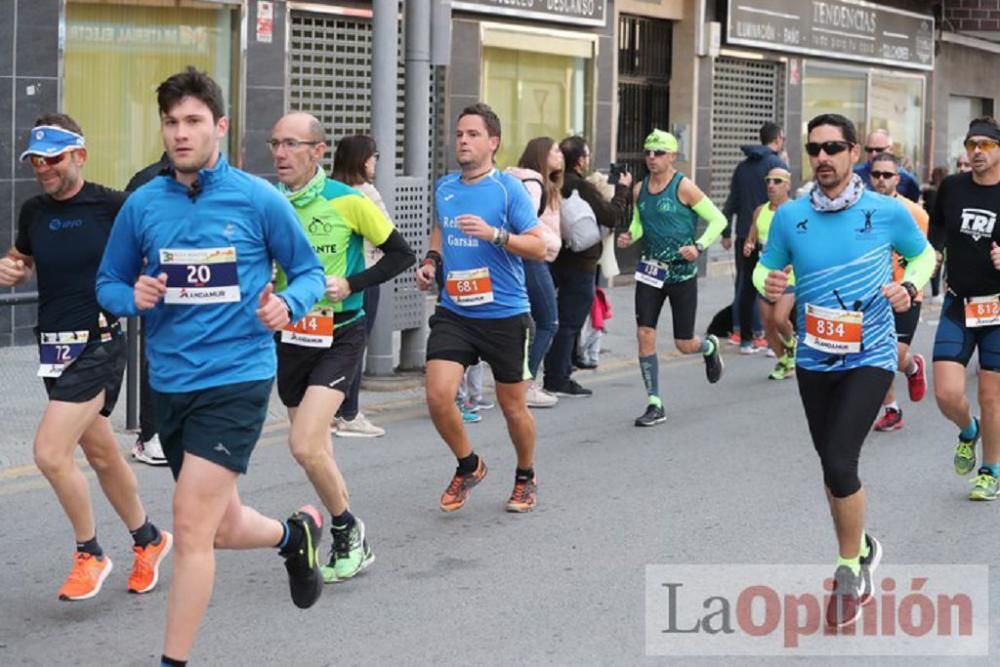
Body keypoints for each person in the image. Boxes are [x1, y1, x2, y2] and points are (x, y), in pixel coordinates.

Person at [96, 68, 327, 665]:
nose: (181, 133)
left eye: (194, 121)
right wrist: (132, 299)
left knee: (191, 529)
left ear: (220, 127)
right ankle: (292, 535)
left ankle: (174, 661)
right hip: (169, 382)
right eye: (171, 122)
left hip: (237, 377)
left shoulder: (257, 199)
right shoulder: (143, 203)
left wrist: (287, 303)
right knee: (221, 526)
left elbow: (308, 274)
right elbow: (109, 282)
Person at [754, 113, 934, 628]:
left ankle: (848, 571)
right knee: (832, 468)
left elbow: (925, 257)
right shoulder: (790, 217)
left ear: (855, 153)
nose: (823, 158)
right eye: (814, 149)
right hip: (813, 356)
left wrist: (912, 287)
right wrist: (765, 284)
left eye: (834, 147)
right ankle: (860, 548)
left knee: (839, 458)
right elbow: (769, 266)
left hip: (871, 353)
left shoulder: (886, 210)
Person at [0, 114, 171, 602]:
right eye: (35, 160)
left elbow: (158, 252)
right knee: (100, 452)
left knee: (50, 453)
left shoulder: (113, 206)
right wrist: (9, 269)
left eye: (52, 158)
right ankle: (149, 540)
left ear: (80, 155)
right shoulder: (34, 212)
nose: (42, 169)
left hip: (98, 342)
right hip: (52, 348)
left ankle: (90, 552)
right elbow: (21, 258)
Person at [269, 113, 415, 583]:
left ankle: (349, 529)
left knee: (303, 444)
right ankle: (349, 536)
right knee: (316, 451)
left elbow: (401, 254)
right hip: (291, 336)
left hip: (342, 332)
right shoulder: (270, 203)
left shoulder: (347, 201)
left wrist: (351, 281)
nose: (280, 153)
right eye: (275, 143)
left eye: (291, 144)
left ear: (317, 151)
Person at [415, 102, 547, 513]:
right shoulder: (446, 187)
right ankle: (468, 465)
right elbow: (442, 226)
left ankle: (525, 474)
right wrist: (431, 261)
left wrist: (495, 235)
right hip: (456, 310)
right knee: (438, 396)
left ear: (493, 142)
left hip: (505, 314)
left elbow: (540, 246)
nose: (463, 141)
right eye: (459, 134)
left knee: (512, 407)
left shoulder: (509, 190)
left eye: (472, 134)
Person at [617, 129, 727, 427]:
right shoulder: (640, 189)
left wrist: (700, 246)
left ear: (672, 157)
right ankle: (654, 402)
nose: (651, 158)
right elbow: (640, 223)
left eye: (659, 153)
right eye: (648, 152)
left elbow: (719, 220)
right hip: (651, 272)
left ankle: (709, 347)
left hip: (681, 274)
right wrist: (631, 235)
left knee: (683, 343)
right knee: (644, 334)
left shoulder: (684, 187)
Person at [929, 116, 1000, 501]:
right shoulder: (952, 188)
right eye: (971, 144)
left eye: (985, 145)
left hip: (997, 309)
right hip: (959, 301)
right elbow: (937, 229)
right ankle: (968, 429)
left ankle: (990, 470)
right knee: (946, 394)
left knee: (992, 396)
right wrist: (934, 255)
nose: (976, 152)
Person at [543, 135, 631, 398]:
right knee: (570, 321)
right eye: (587, 155)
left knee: (558, 319)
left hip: (554, 258)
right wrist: (623, 190)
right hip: (580, 264)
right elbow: (612, 216)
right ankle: (557, 378)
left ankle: (564, 367)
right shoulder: (580, 186)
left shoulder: (553, 184)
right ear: (580, 160)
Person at [330, 134, 393, 438]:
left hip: (331, 279)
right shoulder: (366, 193)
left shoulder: (328, 191)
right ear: (363, 160)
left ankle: (328, 411)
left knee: (330, 348)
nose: (375, 162)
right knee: (354, 347)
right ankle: (349, 413)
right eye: (373, 156)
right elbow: (386, 234)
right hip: (362, 277)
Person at [868, 153, 930, 432]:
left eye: (887, 175)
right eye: (876, 174)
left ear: (898, 179)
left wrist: (910, 285)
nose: (881, 180)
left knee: (893, 355)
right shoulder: (861, 210)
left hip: (906, 293)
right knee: (875, 355)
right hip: (872, 294)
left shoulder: (915, 214)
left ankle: (913, 366)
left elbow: (922, 255)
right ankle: (892, 409)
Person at [506, 137, 563, 408]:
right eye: (554, 150)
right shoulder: (533, 184)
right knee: (548, 321)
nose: (560, 155)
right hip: (531, 257)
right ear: (541, 154)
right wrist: (552, 244)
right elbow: (526, 224)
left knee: (528, 323)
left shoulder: (524, 181)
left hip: (519, 256)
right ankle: (525, 386)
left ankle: (521, 382)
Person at [722, 121, 786, 354]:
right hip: (771, 237)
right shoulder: (777, 166)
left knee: (745, 285)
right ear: (778, 139)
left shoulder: (742, 167)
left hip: (744, 236)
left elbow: (732, 200)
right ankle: (769, 338)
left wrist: (726, 232)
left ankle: (745, 336)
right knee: (774, 285)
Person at [125, 152, 172, 466]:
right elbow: (122, 235)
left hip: (208, 294)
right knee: (157, 358)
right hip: (158, 291)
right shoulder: (147, 181)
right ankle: (150, 435)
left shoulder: (227, 186)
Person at [745, 167, 796, 380]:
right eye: (769, 181)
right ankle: (784, 361)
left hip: (788, 276)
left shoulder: (796, 211)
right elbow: (752, 238)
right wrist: (748, 245)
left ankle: (793, 345)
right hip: (764, 277)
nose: (771, 185)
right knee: (767, 325)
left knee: (780, 318)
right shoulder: (760, 211)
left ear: (788, 185)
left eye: (777, 181)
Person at [853, 129, 921, 202]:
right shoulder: (855, 174)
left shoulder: (907, 179)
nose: (873, 154)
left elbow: (912, 207)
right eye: (869, 150)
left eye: (879, 150)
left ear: (891, 150)